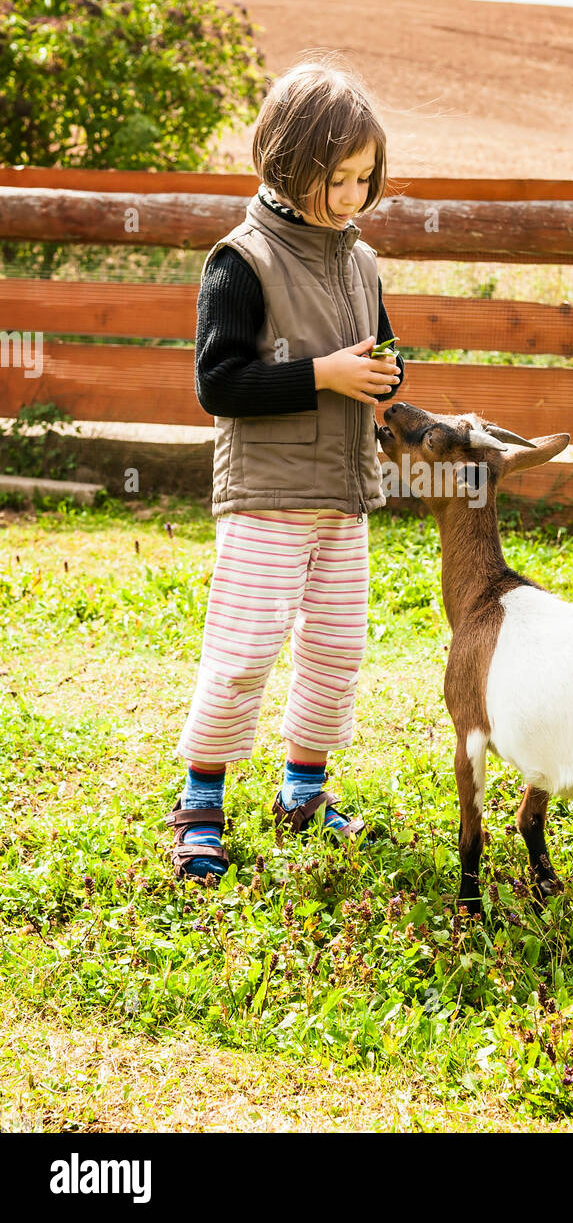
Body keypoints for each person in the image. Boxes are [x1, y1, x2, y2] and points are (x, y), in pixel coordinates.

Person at [165, 55, 405, 880]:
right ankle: (200, 801)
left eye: (364, 182)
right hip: (267, 495)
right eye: (337, 181)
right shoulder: (242, 260)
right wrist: (323, 375)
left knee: (337, 648)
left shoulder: (360, 257)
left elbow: (381, 344)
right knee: (243, 651)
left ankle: (304, 790)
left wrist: (384, 373)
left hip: (344, 492)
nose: (351, 200)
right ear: (286, 164)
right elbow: (217, 382)